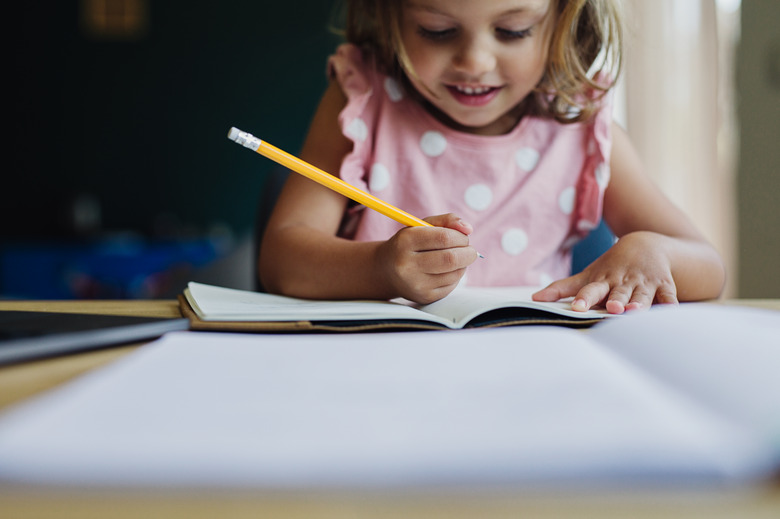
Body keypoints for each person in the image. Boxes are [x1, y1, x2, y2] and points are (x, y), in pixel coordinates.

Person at [259, 0, 725, 314]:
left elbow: (710, 268)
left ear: (563, 17)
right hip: (378, 375)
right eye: (437, 31)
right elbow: (281, 259)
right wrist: (381, 269)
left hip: (533, 379)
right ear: (390, 14)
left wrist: (652, 250)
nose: (475, 61)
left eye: (512, 30)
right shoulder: (360, 101)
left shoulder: (582, 126)